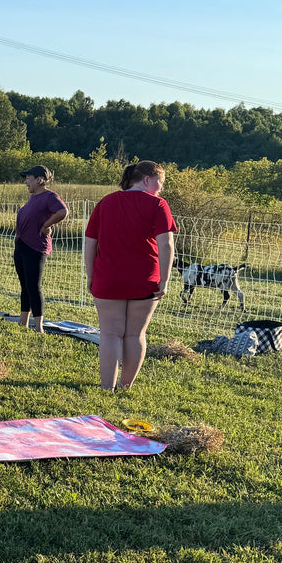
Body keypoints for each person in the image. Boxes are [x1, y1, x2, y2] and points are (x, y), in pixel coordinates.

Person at [84, 160, 177, 390]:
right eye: (160, 182)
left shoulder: (106, 202)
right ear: (147, 180)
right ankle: (126, 386)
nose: (162, 188)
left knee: (110, 334)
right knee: (135, 335)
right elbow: (165, 245)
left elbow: (89, 242)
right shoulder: (158, 205)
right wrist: (165, 279)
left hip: (107, 279)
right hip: (144, 281)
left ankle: (107, 387)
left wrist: (90, 275)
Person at [12, 165, 69, 332]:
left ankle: (38, 327)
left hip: (35, 247)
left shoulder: (49, 196)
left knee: (33, 286)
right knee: (25, 285)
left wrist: (46, 225)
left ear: (39, 180)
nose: (25, 182)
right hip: (21, 246)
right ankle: (23, 322)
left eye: (28, 179)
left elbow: (63, 211)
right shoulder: (33, 198)